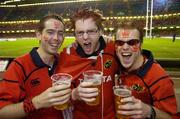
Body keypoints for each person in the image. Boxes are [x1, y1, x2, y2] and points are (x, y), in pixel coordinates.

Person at [0, 13, 71, 119]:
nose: (56, 38)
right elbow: (3, 113)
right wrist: (36, 103)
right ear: (38, 34)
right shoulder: (18, 66)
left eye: (60, 33)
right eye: (50, 32)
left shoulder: (65, 61)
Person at [55, 8, 118, 119]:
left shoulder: (113, 49)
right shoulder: (67, 56)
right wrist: (74, 94)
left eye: (91, 31)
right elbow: (59, 97)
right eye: (80, 33)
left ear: (100, 32)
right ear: (75, 35)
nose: (85, 37)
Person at [115, 21, 179, 118]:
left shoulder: (159, 78)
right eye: (120, 42)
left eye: (132, 42)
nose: (125, 47)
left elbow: (171, 117)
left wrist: (149, 111)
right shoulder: (117, 63)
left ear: (141, 45)